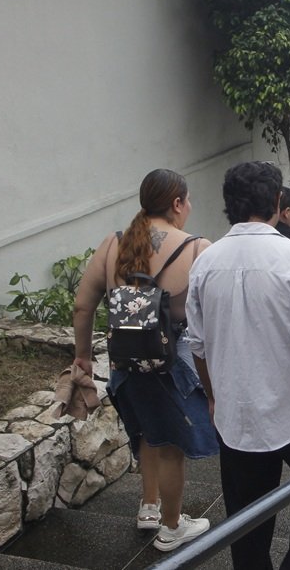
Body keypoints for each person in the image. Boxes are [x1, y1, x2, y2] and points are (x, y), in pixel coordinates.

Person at [183, 161, 290, 570]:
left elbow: (197, 345)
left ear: (229, 205)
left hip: (235, 411)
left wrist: (215, 397)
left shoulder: (205, 262)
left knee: (246, 516)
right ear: (277, 201)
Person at [72, 169, 216, 552]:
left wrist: (83, 357)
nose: (189, 208)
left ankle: (149, 506)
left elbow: (82, 306)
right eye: (188, 201)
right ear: (176, 204)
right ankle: (171, 529)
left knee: (146, 431)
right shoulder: (198, 248)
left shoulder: (114, 243)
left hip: (124, 361)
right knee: (170, 445)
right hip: (172, 363)